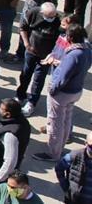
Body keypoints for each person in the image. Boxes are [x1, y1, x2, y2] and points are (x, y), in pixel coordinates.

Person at [38, 24, 91, 162]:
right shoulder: (87, 50)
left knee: (56, 123)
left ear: (70, 37)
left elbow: (63, 77)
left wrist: (53, 88)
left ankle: (53, 153)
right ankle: (60, 145)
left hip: (62, 93)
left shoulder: (73, 54)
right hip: (75, 91)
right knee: (66, 119)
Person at [55, 133, 92, 204]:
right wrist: (66, 187)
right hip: (74, 200)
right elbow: (59, 168)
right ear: (86, 143)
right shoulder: (74, 156)